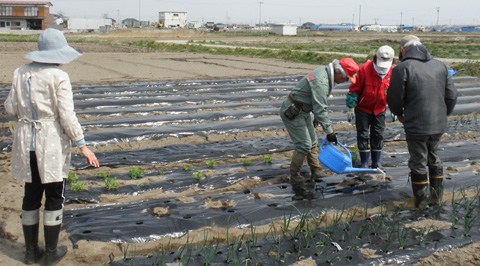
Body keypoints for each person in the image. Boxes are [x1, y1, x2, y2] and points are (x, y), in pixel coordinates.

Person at [4, 28, 100, 266]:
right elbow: (67, 115)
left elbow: (10, 108)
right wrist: (82, 145)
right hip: (50, 141)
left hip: (26, 140)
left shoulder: (20, 72)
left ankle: (29, 252)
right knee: (54, 195)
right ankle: (50, 253)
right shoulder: (59, 76)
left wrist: (27, 112)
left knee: (32, 193)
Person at [387, 35, 457, 208]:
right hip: (438, 124)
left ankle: (419, 202)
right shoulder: (440, 65)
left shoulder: (403, 68)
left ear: (403, 49)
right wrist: (443, 113)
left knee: (418, 161)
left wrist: (399, 114)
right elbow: (452, 95)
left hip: (416, 124)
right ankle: (436, 199)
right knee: (434, 158)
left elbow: (395, 98)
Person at [280, 58, 359, 185]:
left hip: (303, 110)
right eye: (346, 77)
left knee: (312, 142)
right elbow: (320, 108)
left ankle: (316, 169)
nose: (346, 80)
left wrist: (317, 118)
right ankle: (294, 175)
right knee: (304, 144)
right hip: (293, 111)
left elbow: (316, 102)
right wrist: (329, 132)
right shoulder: (322, 81)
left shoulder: (325, 73)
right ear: (339, 72)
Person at [346, 45, 394, 169]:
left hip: (380, 108)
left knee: (378, 134)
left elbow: (395, 92)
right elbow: (354, 89)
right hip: (363, 108)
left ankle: (376, 162)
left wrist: (395, 106)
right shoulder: (364, 70)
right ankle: (364, 163)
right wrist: (351, 107)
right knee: (363, 134)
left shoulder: (393, 72)